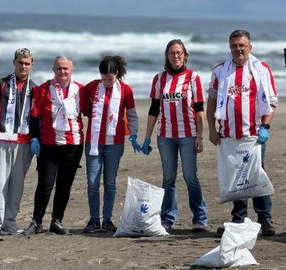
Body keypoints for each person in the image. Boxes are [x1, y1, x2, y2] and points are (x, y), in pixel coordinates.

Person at [207, 29, 278, 236]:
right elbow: (211, 101)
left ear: (249, 47)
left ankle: (265, 219)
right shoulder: (220, 71)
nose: (238, 49)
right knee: (236, 175)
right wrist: (212, 129)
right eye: (234, 46)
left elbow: (271, 102)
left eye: (242, 45)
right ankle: (239, 219)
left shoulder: (262, 70)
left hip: (254, 134)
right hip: (228, 134)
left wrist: (265, 127)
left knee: (256, 174)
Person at [141, 39, 208, 232]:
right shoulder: (159, 79)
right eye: (172, 53)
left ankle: (200, 218)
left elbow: (199, 110)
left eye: (179, 52)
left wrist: (200, 136)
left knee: (190, 176)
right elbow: (154, 110)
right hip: (165, 136)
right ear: (167, 56)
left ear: (185, 55)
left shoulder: (193, 78)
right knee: (168, 178)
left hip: (188, 136)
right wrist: (146, 138)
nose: (176, 56)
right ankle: (168, 218)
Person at [22, 56, 85, 235]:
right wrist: (34, 138)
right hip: (49, 145)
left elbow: (91, 111)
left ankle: (57, 220)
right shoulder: (43, 90)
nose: (62, 71)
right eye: (58, 69)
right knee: (45, 184)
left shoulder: (80, 90)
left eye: (65, 68)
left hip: (73, 145)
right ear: (53, 70)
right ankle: (36, 221)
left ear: (71, 70)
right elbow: (34, 117)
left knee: (65, 185)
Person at [82, 55, 141, 233]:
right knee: (92, 183)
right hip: (93, 142)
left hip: (114, 143)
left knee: (110, 182)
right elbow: (83, 107)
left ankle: (107, 220)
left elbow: (131, 114)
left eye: (110, 78)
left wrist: (134, 134)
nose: (107, 82)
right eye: (104, 78)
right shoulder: (91, 87)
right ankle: (94, 220)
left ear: (116, 74)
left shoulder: (126, 90)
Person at [0, 48, 36, 238]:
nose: (23, 66)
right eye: (20, 62)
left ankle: (9, 224)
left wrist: (36, 139)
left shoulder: (34, 88)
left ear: (31, 65)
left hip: (23, 143)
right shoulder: (2, 84)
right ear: (14, 63)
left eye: (27, 63)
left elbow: (36, 117)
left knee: (17, 185)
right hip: (0, 140)